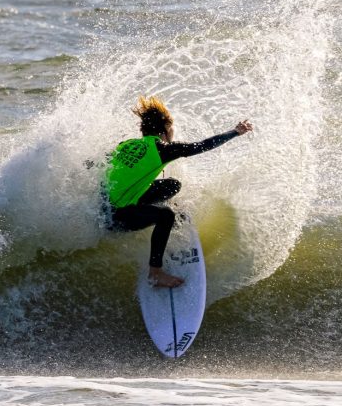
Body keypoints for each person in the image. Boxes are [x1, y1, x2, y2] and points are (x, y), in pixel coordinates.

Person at [104, 96, 253, 288]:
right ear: (165, 128)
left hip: (104, 209)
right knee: (166, 216)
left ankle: (146, 210)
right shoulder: (161, 149)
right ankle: (155, 273)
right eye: (171, 126)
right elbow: (202, 146)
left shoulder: (127, 145)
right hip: (116, 219)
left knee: (171, 185)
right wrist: (234, 132)